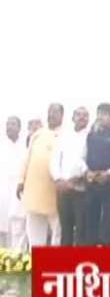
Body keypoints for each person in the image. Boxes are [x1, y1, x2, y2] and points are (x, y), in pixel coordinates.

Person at [18, 103, 64, 247]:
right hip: (34, 191)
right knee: (34, 232)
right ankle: (36, 262)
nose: (51, 115)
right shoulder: (37, 135)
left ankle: (54, 264)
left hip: (55, 192)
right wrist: (21, 180)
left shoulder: (65, 135)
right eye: (49, 112)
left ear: (62, 115)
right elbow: (27, 158)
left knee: (58, 231)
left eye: (55, 112)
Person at [49, 107, 90, 246]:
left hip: (80, 189)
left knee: (81, 229)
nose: (82, 118)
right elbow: (55, 159)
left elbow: (88, 161)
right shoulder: (65, 136)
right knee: (65, 230)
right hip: (63, 188)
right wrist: (59, 180)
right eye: (78, 115)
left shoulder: (91, 136)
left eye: (85, 116)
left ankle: (79, 265)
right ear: (73, 118)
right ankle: (65, 264)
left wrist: (77, 178)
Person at [84, 104, 110, 245]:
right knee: (90, 221)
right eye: (99, 113)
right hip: (92, 182)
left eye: (104, 114)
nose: (100, 117)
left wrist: (108, 173)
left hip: (109, 183)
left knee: (108, 222)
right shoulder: (91, 135)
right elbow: (84, 155)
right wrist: (89, 172)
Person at [0, 116, 26, 249]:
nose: (9, 127)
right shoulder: (2, 146)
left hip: (18, 191)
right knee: (2, 229)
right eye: (7, 124)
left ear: (19, 128)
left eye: (13, 124)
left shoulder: (25, 146)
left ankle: (17, 260)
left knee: (18, 227)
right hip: (2, 191)